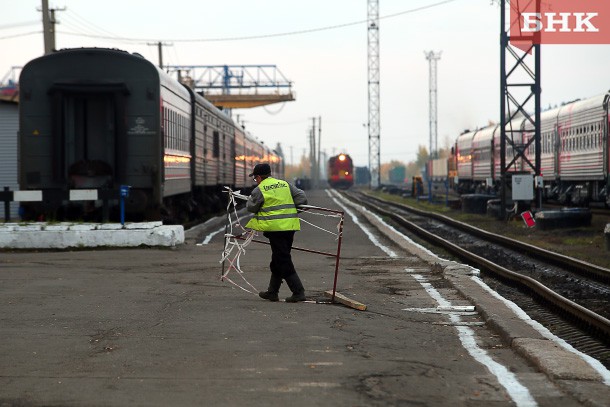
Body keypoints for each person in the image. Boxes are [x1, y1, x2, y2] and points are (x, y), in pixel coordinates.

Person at [245, 163, 308, 302]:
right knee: (277, 259)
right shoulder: (285, 184)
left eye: (255, 178)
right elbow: (302, 198)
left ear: (259, 177)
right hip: (290, 227)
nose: (256, 181)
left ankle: (298, 291)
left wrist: (251, 200)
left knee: (283, 260)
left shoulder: (260, 189)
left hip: (275, 229)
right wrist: (290, 212)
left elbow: (251, 207)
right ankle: (272, 292)